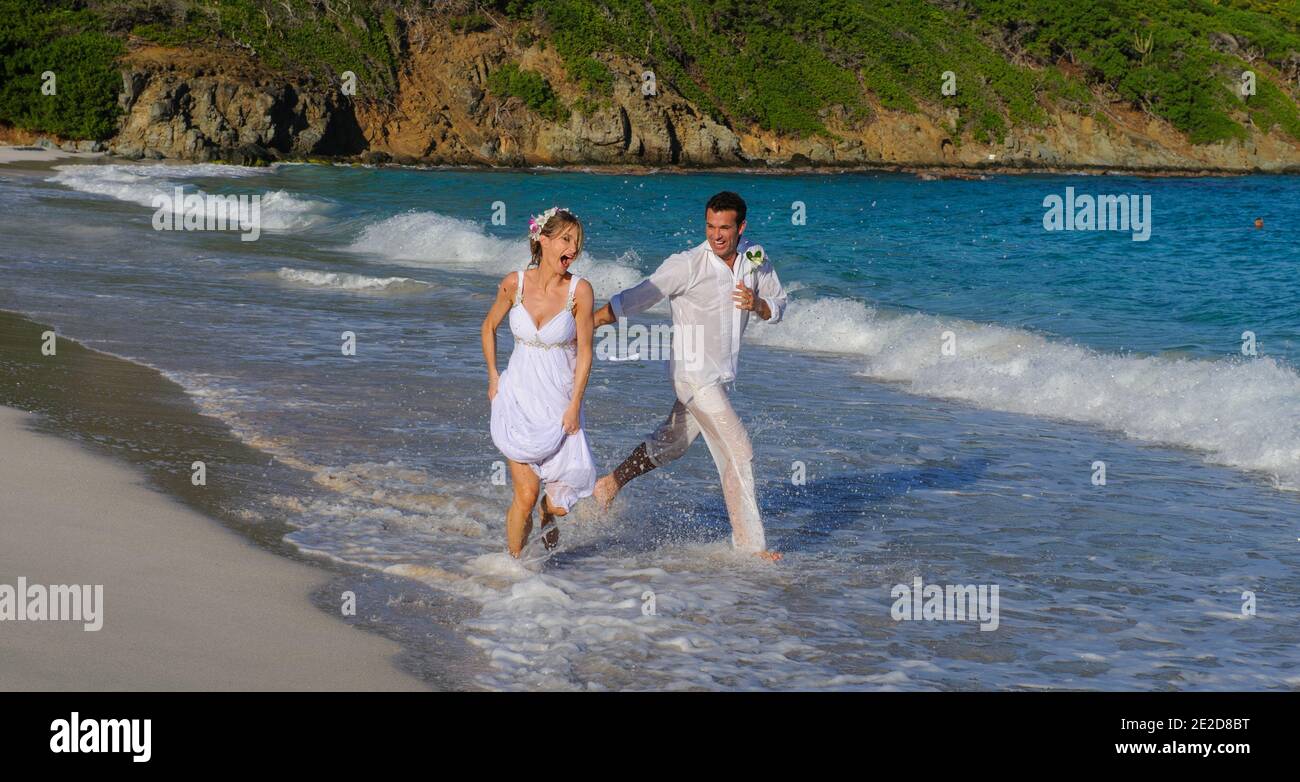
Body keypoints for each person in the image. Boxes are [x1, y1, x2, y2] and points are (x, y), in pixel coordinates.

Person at [592, 191, 787, 561]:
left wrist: (759, 305)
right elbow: (640, 296)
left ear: (740, 228)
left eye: (725, 228)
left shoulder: (755, 259)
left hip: (717, 376)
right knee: (739, 450)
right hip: (693, 375)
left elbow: (779, 302)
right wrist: (593, 320)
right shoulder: (688, 265)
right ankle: (751, 548)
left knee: (673, 443)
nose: (716, 235)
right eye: (710, 226)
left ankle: (609, 484)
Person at [481, 207, 596, 558]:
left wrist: (575, 403)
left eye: (577, 242)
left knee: (560, 503)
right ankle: (515, 567)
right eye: (566, 239)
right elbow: (488, 328)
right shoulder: (513, 284)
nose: (573, 249)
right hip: (516, 397)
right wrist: (493, 375)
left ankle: (549, 512)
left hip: (558, 403)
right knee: (525, 494)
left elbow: (587, 352)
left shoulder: (581, 291)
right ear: (542, 240)